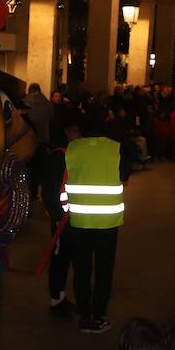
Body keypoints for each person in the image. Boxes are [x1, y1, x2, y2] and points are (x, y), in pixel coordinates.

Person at [61, 110, 130, 334]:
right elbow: (125, 175)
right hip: (108, 222)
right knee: (103, 271)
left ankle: (85, 316)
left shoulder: (72, 148)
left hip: (79, 221)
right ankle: (100, 315)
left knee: (81, 270)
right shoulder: (115, 148)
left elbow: (65, 179)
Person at [40, 122, 77, 318]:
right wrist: (58, 218)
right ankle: (56, 301)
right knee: (59, 260)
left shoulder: (65, 156)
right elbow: (49, 193)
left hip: (67, 219)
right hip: (61, 220)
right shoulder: (59, 158)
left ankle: (60, 297)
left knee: (64, 259)